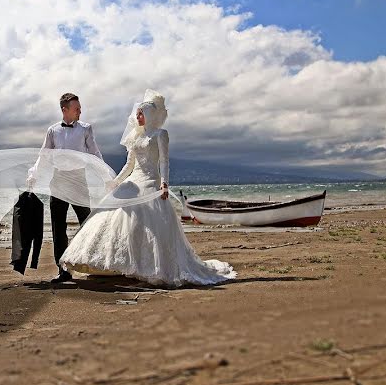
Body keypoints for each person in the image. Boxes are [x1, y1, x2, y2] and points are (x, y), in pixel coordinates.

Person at [59, 90, 236, 287]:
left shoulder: (161, 135)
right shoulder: (135, 137)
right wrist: (116, 182)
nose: (138, 117)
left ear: (151, 114)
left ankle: (150, 267)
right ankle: (117, 264)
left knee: (148, 226)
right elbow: (129, 165)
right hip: (133, 182)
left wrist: (164, 182)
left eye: (141, 113)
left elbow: (164, 161)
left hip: (152, 182)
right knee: (117, 221)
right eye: (137, 114)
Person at [27, 92, 104, 283]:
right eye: (76, 108)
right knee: (58, 228)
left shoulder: (86, 129)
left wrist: (106, 176)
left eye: (80, 108)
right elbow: (43, 156)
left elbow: (95, 153)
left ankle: (93, 262)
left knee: (87, 223)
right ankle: (63, 270)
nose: (80, 111)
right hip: (59, 181)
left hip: (79, 180)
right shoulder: (53, 131)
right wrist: (33, 175)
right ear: (65, 110)